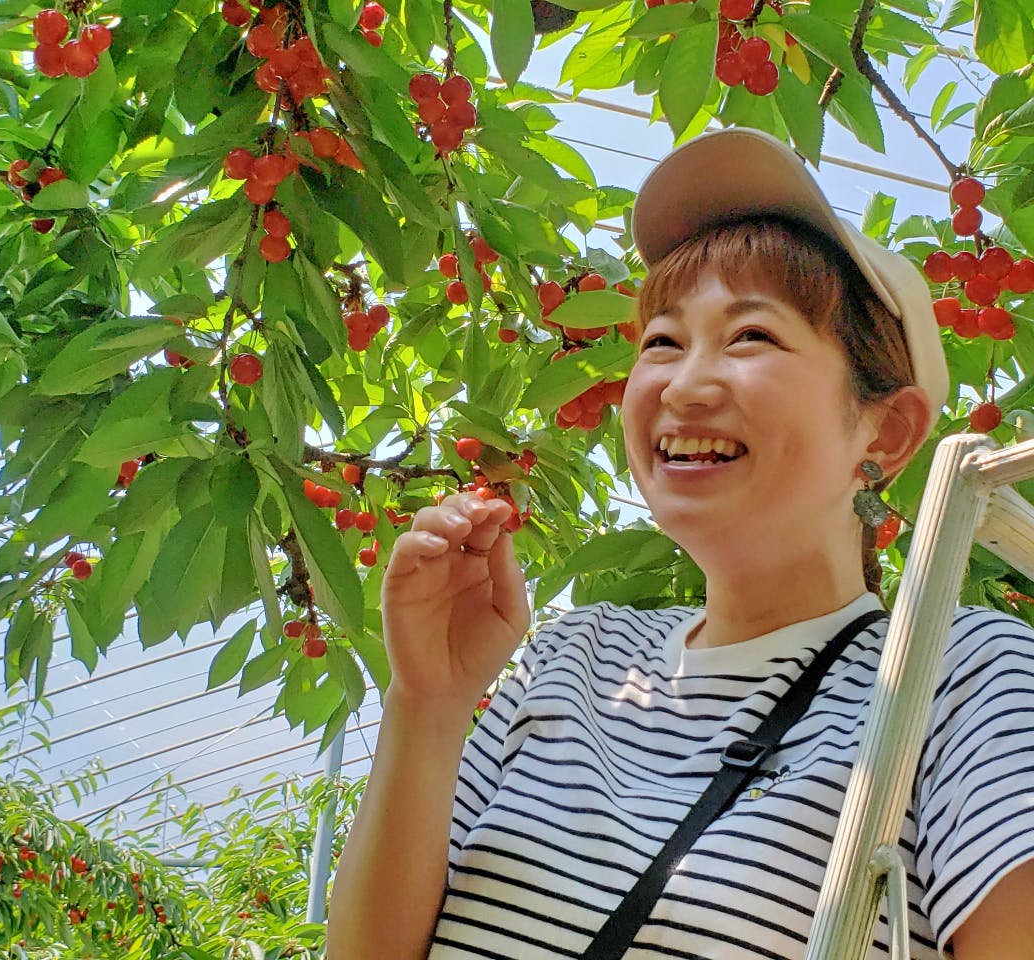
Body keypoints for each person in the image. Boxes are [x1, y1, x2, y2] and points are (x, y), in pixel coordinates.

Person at [325, 128, 1034, 960]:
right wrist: (429, 705)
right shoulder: (573, 657)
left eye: (751, 337)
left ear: (889, 429)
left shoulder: (956, 677)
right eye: (660, 342)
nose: (683, 384)